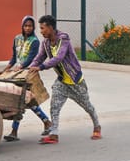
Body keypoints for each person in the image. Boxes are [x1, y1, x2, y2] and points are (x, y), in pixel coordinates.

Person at [29, 15, 101, 144]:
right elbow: (39, 57)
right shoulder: (45, 43)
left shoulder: (64, 38)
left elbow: (59, 57)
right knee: (54, 107)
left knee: (87, 106)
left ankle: (97, 126)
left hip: (75, 81)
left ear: (50, 28)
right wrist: (31, 67)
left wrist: (41, 67)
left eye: (42, 28)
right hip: (62, 81)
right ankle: (54, 134)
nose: (41, 31)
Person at [0, 16, 52, 142]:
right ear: (22, 26)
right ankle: (46, 122)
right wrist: (5, 69)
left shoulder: (35, 41)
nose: (28, 28)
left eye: (30, 26)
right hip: (16, 73)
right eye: (26, 25)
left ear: (33, 27)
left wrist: (20, 67)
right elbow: (14, 57)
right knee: (24, 100)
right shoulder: (17, 39)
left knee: (21, 100)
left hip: (27, 74)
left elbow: (31, 59)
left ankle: (15, 131)